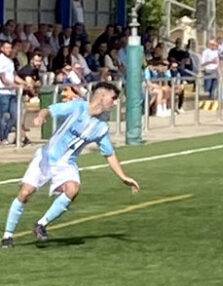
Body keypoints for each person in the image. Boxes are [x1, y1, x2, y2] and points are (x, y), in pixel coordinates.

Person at [1, 82, 139, 248]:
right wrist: (41, 116)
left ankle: (41, 224)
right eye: (114, 98)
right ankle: (7, 235)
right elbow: (50, 109)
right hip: (46, 156)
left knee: (72, 189)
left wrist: (123, 177)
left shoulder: (101, 127)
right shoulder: (78, 107)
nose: (115, 102)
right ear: (102, 95)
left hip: (66, 163)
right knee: (25, 193)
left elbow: (109, 154)